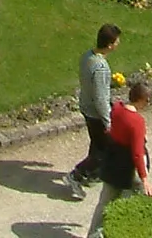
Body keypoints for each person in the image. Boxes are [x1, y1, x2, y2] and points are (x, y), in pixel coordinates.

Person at [85, 80, 152, 237]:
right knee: (128, 206)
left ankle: (93, 234)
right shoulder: (137, 122)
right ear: (142, 99)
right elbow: (138, 152)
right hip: (127, 169)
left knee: (104, 203)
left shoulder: (117, 109)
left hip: (112, 163)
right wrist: (145, 178)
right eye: (147, 100)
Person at [64, 22, 121, 200]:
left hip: (86, 106)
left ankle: (92, 174)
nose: (118, 44)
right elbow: (101, 98)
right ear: (110, 45)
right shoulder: (101, 68)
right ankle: (76, 176)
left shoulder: (87, 56)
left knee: (96, 143)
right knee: (103, 151)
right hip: (96, 113)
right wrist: (108, 122)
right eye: (117, 41)